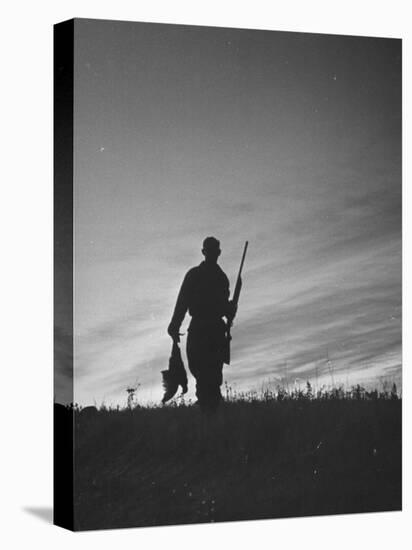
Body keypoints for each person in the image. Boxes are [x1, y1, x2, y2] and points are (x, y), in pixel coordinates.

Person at [167, 237, 237, 412]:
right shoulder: (195, 275)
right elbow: (182, 302)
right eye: (210, 250)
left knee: (211, 378)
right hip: (202, 330)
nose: (213, 253)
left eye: (214, 250)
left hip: (212, 331)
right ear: (204, 252)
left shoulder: (221, 279)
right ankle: (209, 414)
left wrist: (230, 309)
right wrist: (174, 325)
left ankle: (209, 416)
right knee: (203, 374)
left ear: (217, 253)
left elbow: (223, 307)